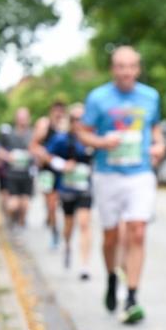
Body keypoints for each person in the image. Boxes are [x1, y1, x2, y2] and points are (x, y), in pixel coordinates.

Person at [75, 46, 165, 324]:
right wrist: (102, 143)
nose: (126, 71)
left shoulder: (150, 96)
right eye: (120, 66)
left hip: (140, 173)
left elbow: (155, 131)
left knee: (137, 232)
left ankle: (133, 295)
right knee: (111, 236)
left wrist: (159, 146)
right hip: (107, 174)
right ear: (113, 69)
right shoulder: (98, 97)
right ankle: (113, 277)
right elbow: (82, 133)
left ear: (138, 69)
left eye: (131, 66)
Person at [43, 103, 94, 280]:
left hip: (86, 187)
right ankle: (66, 244)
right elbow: (45, 154)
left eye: (82, 119)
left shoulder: (92, 138)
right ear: (70, 121)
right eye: (75, 119)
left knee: (85, 223)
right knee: (69, 224)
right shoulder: (61, 139)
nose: (79, 123)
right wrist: (62, 165)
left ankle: (85, 265)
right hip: (68, 188)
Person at [31, 100, 68, 249]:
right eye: (56, 111)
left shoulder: (67, 126)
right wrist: (47, 157)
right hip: (47, 170)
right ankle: (54, 233)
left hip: (64, 170)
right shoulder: (44, 126)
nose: (58, 114)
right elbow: (33, 145)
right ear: (51, 111)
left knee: (62, 202)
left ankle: (57, 224)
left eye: (61, 111)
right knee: (51, 204)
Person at [0, 108, 36, 229]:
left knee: (24, 205)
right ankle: (11, 221)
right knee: (13, 205)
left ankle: (20, 225)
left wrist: (34, 154)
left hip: (27, 175)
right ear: (16, 119)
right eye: (20, 117)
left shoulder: (33, 134)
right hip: (12, 174)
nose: (23, 120)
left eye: (25, 117)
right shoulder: (9, 135)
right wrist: (8, 157)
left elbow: (39, 150)